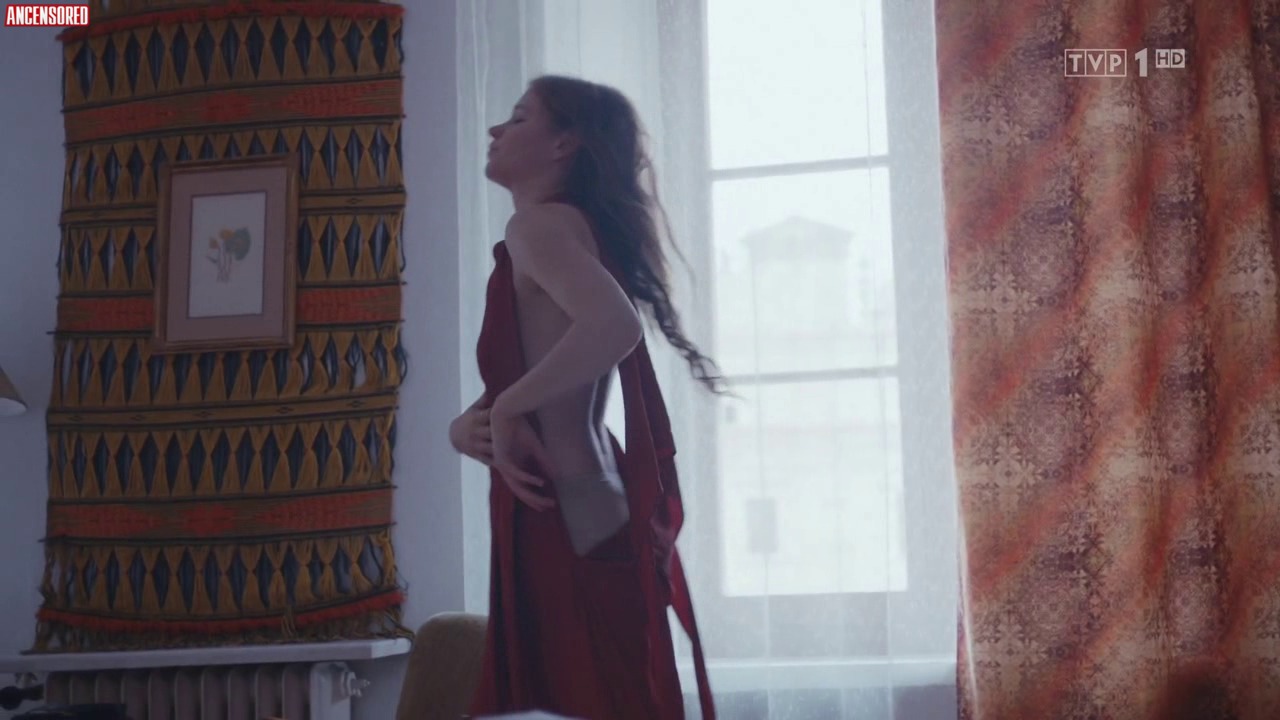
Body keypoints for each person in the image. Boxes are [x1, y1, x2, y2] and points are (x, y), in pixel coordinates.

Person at [451, 75, 723, 719]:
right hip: (585, 503)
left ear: (563, 144)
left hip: (564, 515)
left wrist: (508, 407)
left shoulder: (538, 227)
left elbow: (614, 326)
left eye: (519, 118)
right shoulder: (567, 227)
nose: (495, 130)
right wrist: (472, 423)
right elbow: (550, 363)